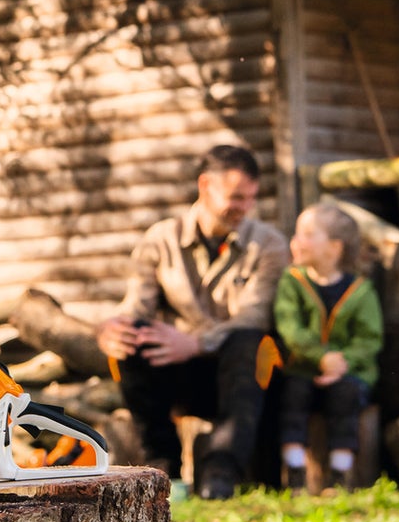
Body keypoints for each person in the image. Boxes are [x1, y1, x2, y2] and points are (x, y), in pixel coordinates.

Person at [96, 145, 290, 500]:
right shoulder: (160, 239)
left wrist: (196, 343)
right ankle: (162, 471)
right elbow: (136, 306)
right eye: (236, 197)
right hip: (180, 374)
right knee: (130, 339)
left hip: (245, 379)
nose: (245, 207)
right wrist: (112, 330)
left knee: (250, 341)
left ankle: (221, 477)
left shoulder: (270, 245)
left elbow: (256, 316)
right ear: (205, 186)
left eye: (251, 198)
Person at [273, 202, 383, 492]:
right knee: (292, 393)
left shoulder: (361, 291)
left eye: (308, 234)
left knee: (346, 396)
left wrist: (342, 362)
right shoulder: (292, 281)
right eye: (297, 233)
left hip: (349, 373)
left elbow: (369, 339)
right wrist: (321, 358)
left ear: (335, 248)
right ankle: (294, 473)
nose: (297, 241)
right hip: (303, 368)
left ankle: (339, 473)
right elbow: (290, 328)